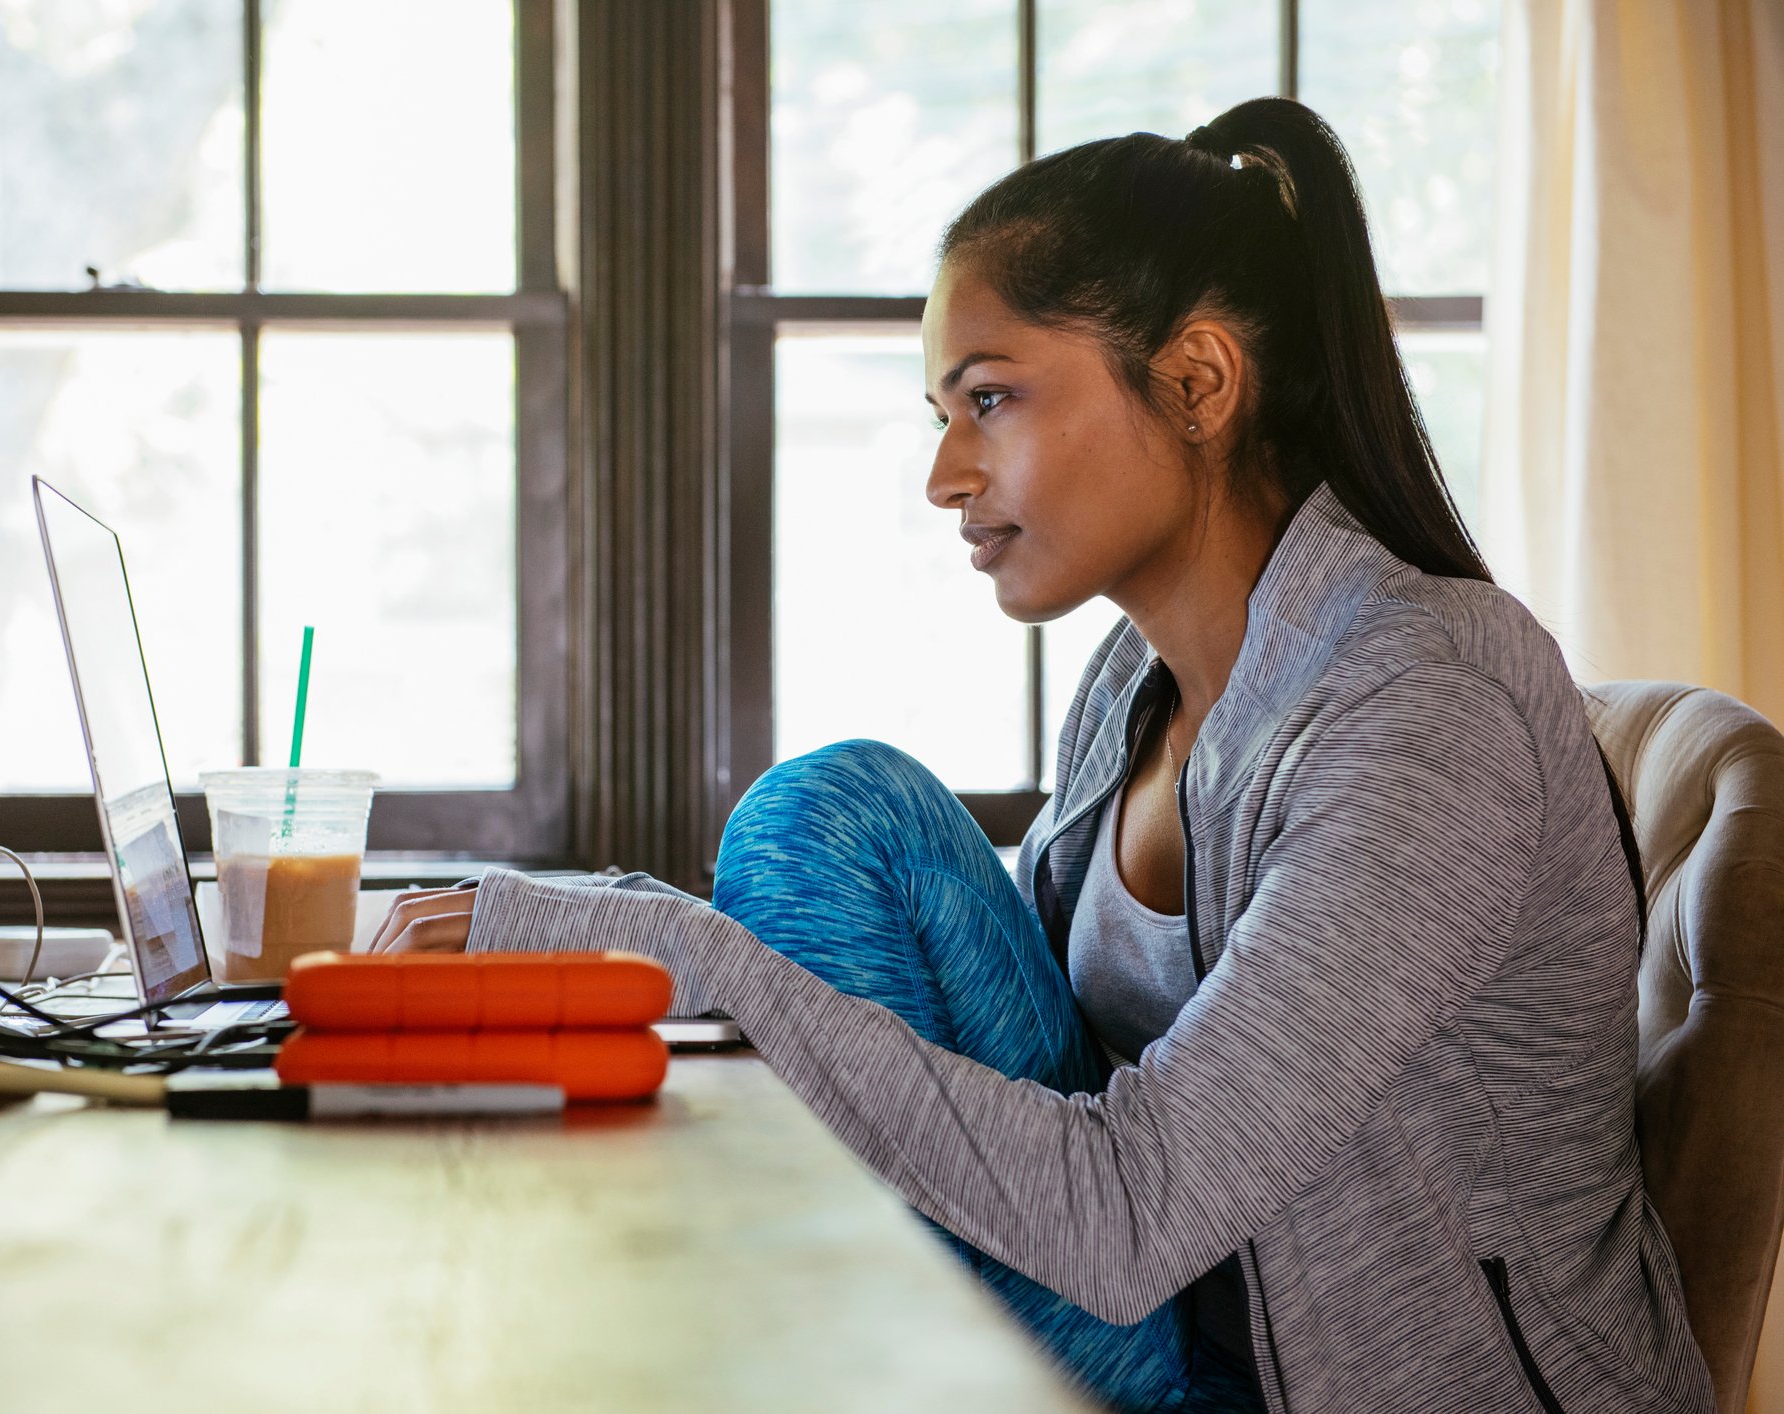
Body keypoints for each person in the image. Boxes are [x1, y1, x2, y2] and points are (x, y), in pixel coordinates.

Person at [368, 98, 1713, 1414]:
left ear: (1196, 382)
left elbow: (1133, 1208)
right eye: (942, 413)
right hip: (1167, 1332)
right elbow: (972, 1030)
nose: (947, 470)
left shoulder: (1431, 702)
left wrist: (673, 945)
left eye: (990, 399)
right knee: (838, 816)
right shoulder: (1135, 683)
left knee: (796, 861)